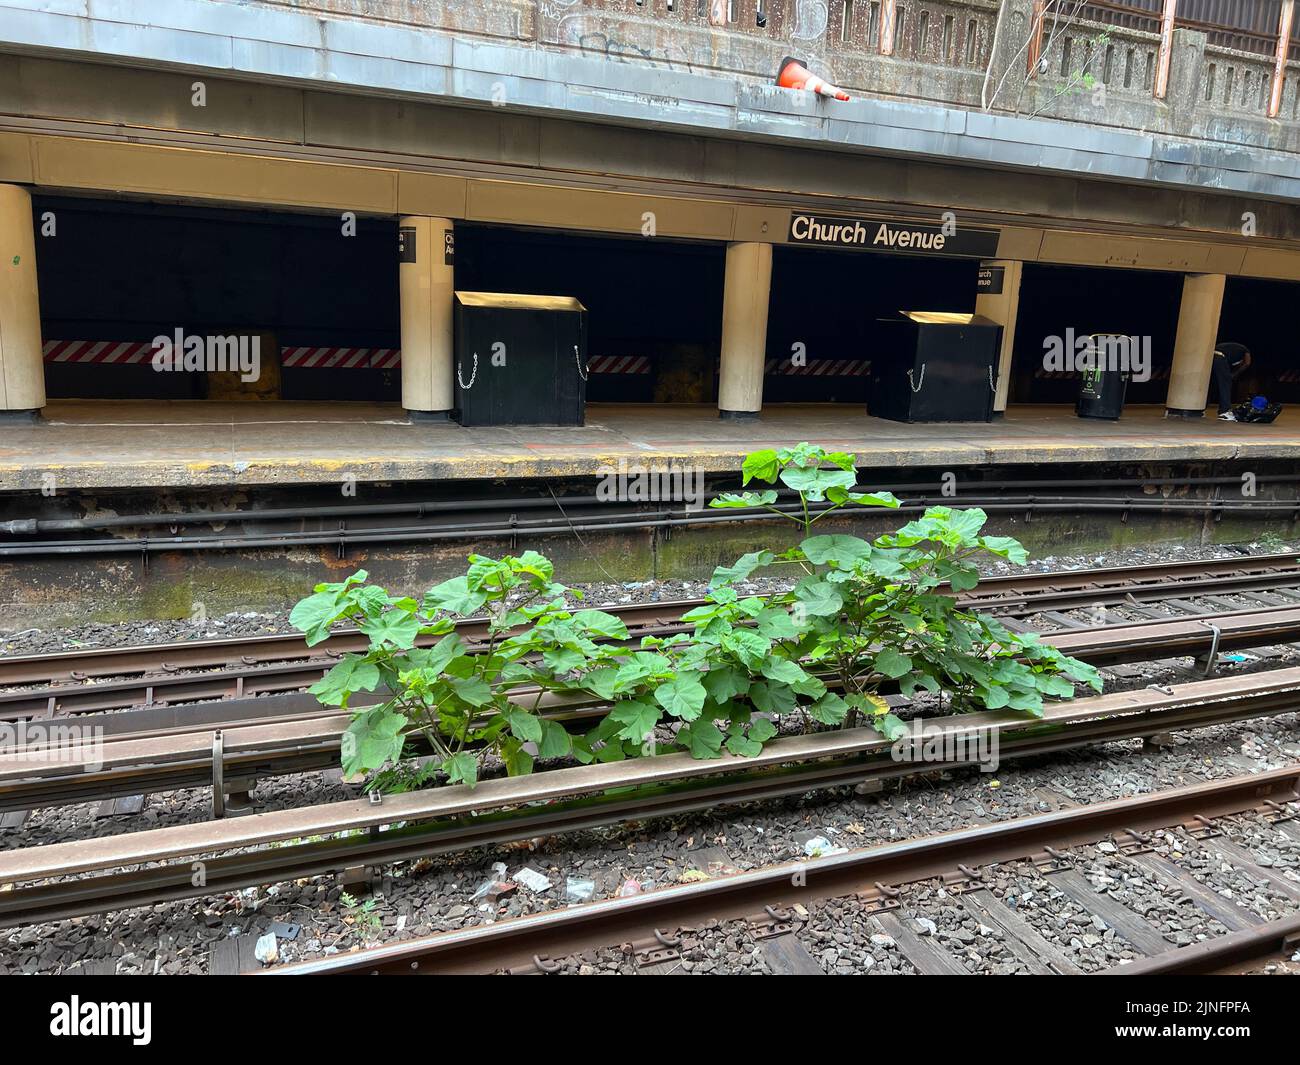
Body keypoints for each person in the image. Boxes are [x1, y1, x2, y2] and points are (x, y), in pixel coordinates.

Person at [1211, 341, 1251, 420]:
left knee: (1211, 384)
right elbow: (1247, 363)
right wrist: (1235, 374)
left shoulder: (1232, 351)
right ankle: (1225, 411)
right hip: (1219, 357)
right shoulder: (1245, 350)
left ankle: (1200, 408)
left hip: (1210, 355)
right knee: (1226, 384)